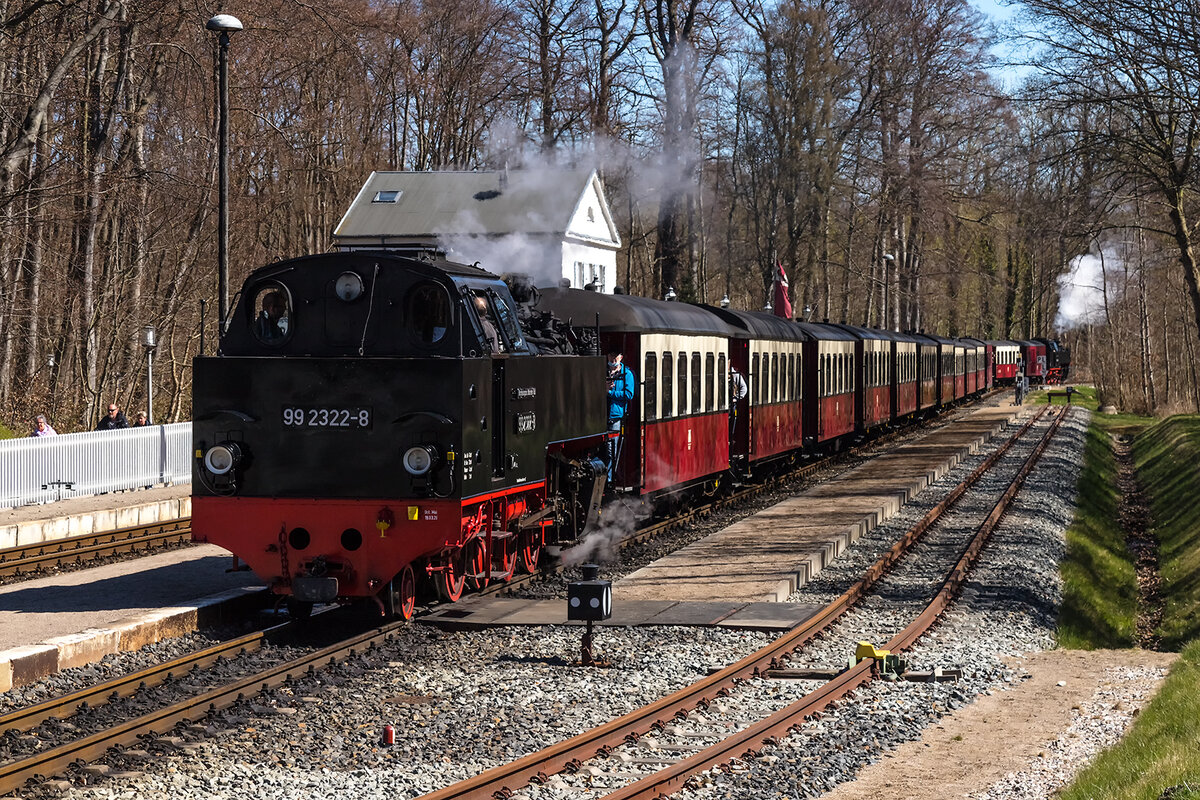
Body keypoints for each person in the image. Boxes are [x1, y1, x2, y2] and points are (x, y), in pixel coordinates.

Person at [606, 350, 635, 482]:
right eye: (610, 357)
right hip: (600, 416)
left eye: (615, 358)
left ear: (620, 358)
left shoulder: (627, 374)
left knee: (611, 449)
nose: (612, 360)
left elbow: (629, 394)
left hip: (615, 416)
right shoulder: (603, 372)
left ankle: (610, 480)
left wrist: (610, 392)